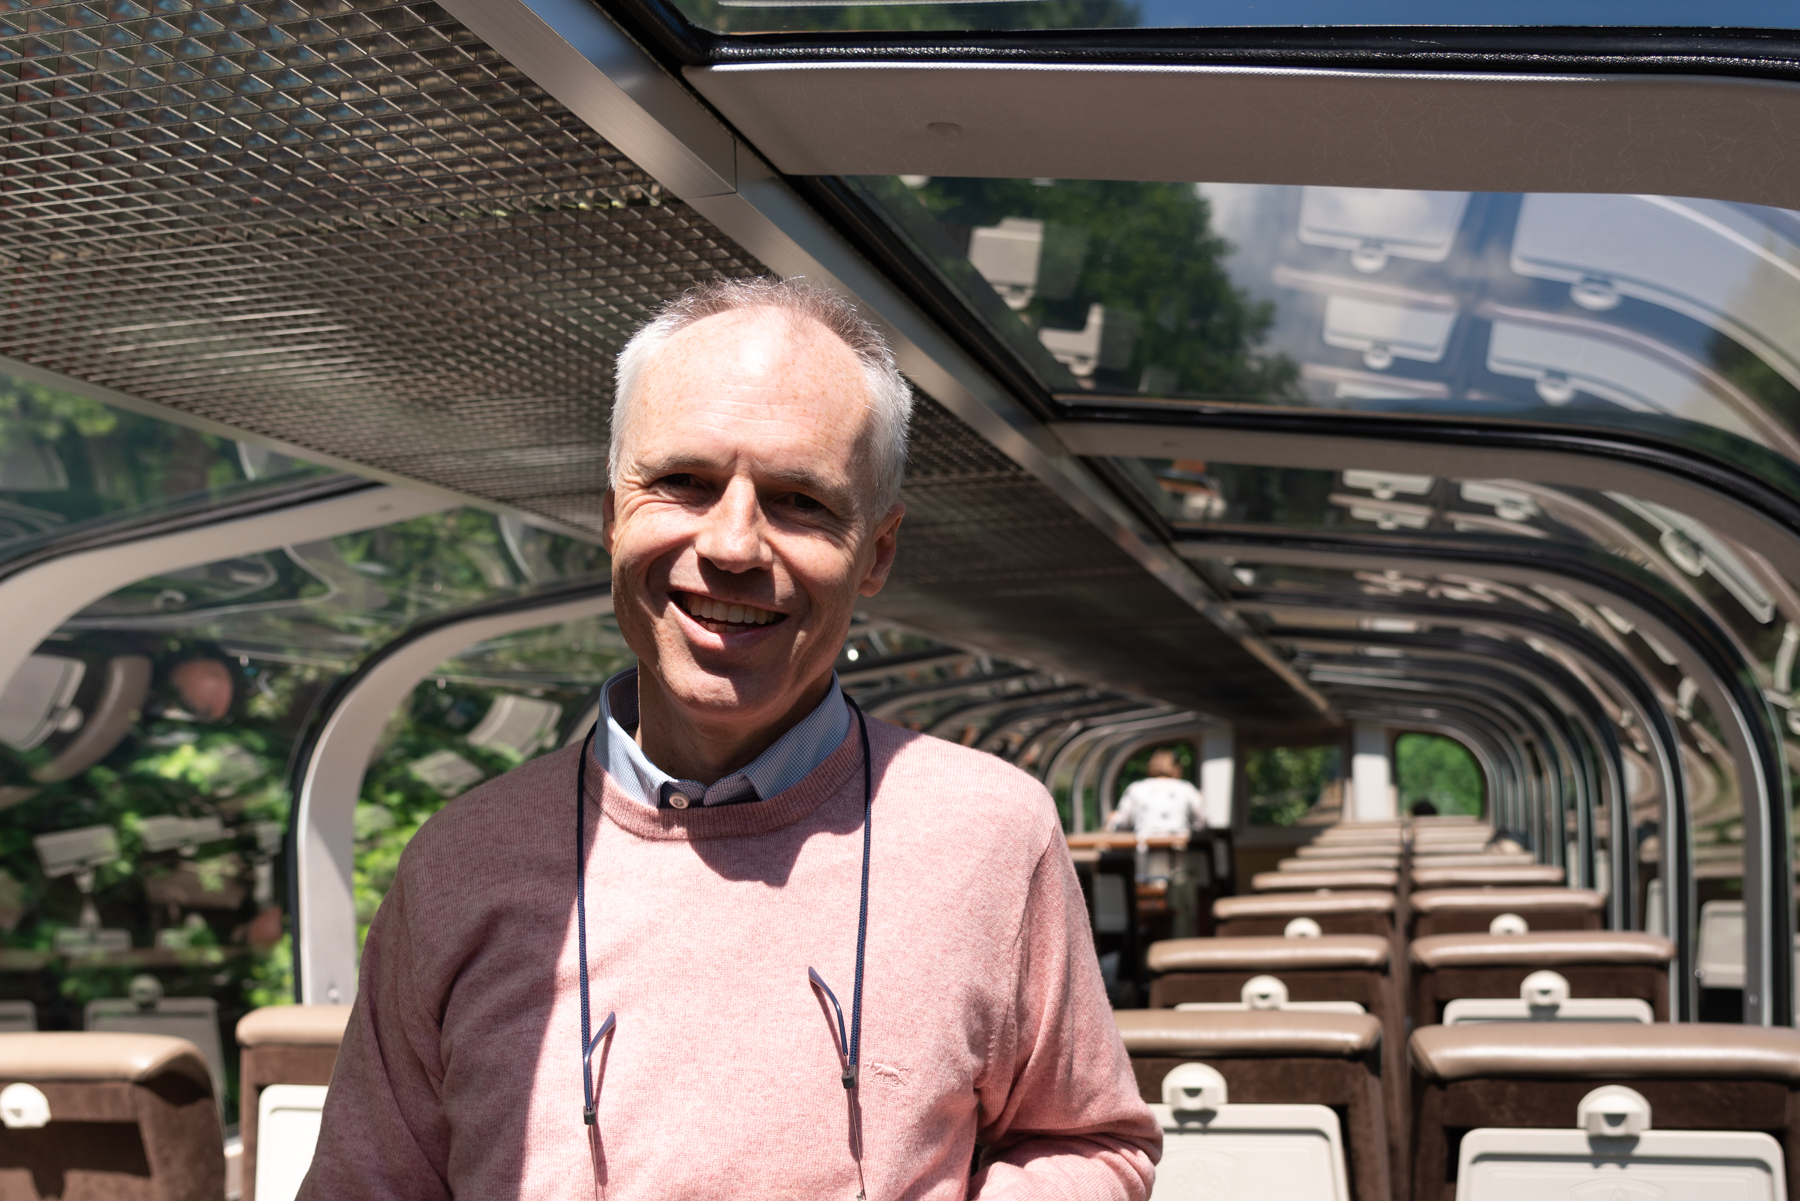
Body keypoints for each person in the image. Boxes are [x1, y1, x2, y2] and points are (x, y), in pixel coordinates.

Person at [301, 279, 1160, 1199]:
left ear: (877, 552)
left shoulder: (989, 832)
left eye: (799, 499)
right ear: (612, 515)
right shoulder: (461, 859)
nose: (734, 545)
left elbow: (1092, 1143)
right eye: (684, 482)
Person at [1106, 748, 1206, 837]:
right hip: (1181, 848)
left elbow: (1119, 824)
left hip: (1145, 848)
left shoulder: (1136, 788)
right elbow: (1202, 821)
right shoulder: (1186, 787)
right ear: (1176, 768)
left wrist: (1112, 819)